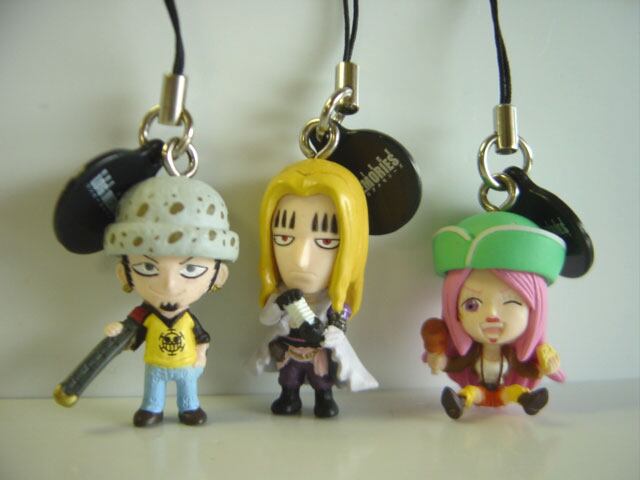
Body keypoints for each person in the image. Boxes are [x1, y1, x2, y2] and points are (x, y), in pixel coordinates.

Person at [103, 175, 238, 427]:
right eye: (147, 267)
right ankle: (151, 408)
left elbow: (202, 338)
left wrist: (201, 355)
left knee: (188, 390)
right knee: (153, 390)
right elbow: (132, 340)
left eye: (191, 269)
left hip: (186, 365)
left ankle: (189, 407)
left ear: (218, 276)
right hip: (155, 365)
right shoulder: (145, 318)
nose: (170, 285)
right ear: (124, 273)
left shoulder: (187, 320)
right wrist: (119, 333)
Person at [252, 158, 378, 418]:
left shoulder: (332, 303)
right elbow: (266, 318)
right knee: (289, 379)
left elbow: (339, 325)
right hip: (290, 352)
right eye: (284, 238)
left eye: (325, 241)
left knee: (322, 380)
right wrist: (280, 304)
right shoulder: (281, 295)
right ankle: (290, 397)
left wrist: (329, 333)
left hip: (317, 353)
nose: (301, 260)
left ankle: (324, 398)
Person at [422, 211, 566, 419]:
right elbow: (452, 364)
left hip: (505, 392)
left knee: (515, 392)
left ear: (536, 309)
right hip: (479, 391)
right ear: (454, 310)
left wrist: (546, 366)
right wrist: (438, 359)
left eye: (511, 302)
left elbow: (530, 369)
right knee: (471, 393)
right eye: (472, 305)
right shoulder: (469, 353)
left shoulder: (514, 355)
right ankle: (459, 402)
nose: (491, 315)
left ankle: (528, 400)